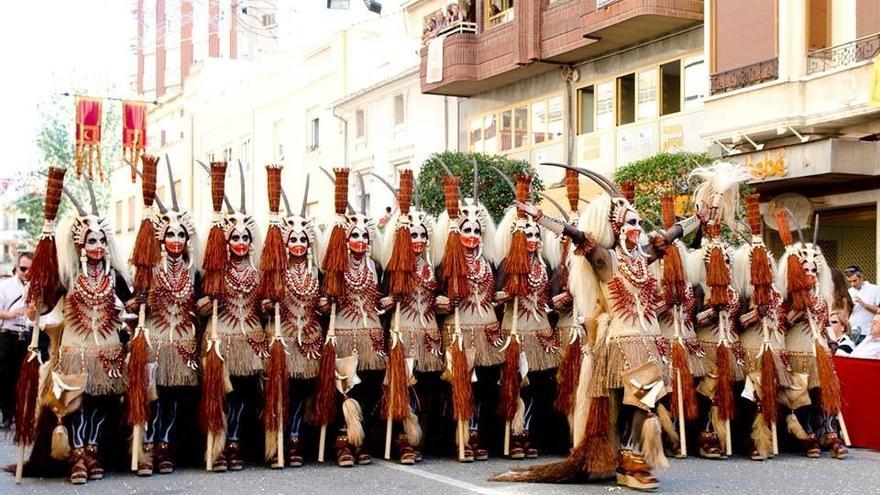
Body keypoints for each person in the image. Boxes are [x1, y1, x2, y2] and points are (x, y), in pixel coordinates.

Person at [0, 252, 33, 428]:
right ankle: (7, 414)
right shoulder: (5, 286)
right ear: (16, 267)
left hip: (26, 335)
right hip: (8, 334)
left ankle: (21, 415)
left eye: (30, 269)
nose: (26, 272)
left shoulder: (34, 287)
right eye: (23, 268)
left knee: (24, 378)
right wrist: (11, 314)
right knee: (6, 377)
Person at [844, 265, 880, 344]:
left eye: (854, 280)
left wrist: (864, 305)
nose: (852, 284)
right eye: (849, 282)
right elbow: (845, 313)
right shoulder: (849, 292)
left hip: (868, 332)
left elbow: (879, 311)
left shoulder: (874, 289)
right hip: (852, 332)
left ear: (861, 277)